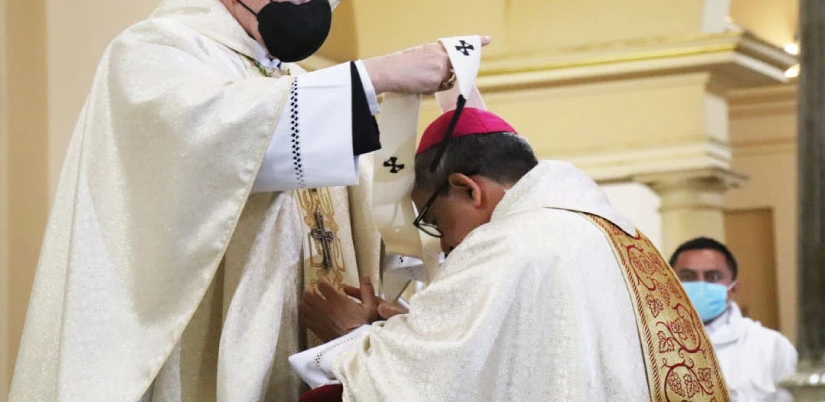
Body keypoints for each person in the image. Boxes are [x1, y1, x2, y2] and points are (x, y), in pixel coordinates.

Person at [8, 0, 480, 401]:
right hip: (214, 352)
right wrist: (377, 75)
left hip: (319, 346)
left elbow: (363, 195)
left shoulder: (297, 82)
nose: (316, 6)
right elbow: (219, 140)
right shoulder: (157, 51)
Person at [292, 107, 730, 401]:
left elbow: (429, 386)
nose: (444, 243)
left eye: (434, 219)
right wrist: (396, 329)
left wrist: (350, 337)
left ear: (467, 189)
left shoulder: (510, 243)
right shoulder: (609, 231)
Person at [670, 237, 798, 401]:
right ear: (667, 282)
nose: (700, 285)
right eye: (687, 276)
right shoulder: (646, 343)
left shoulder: (771, 346)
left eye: (713, 277)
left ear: (734, 287)